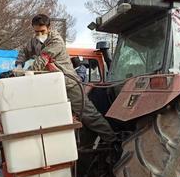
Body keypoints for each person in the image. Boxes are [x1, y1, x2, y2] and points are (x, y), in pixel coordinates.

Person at [15, 14, 116, 145]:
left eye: (42, 31)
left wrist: (23, 75)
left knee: (89, 115)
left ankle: (112, 140)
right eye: (36, 32)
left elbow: (42, 61)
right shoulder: (35, 41)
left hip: (69, 84)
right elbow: (24, 50)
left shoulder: (56, 41)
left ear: (49, 27)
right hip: (51, 85)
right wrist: (19, 64)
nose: (39, 34)